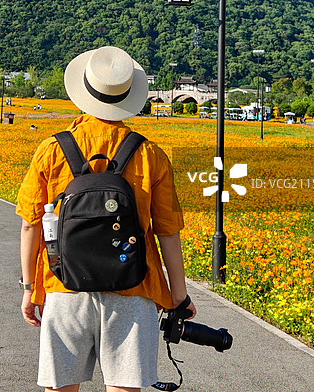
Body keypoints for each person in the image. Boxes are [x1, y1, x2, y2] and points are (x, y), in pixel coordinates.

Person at [16, 45, 195, 392]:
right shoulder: (149, 155)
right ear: (129, 96)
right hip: (133, 287)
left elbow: (29, 223)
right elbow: (168, 233)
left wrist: (29, 289)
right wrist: (178, 295)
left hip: (64, 284)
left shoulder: (52, 150)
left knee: (61, 387)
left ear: (83, 92)